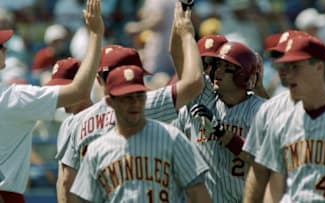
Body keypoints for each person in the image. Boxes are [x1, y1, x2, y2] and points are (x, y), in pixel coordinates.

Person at [56, 2, 205, 202]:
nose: (134, 100)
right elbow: (194, 83)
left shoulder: (73, 124)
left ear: (98, 78)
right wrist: (186, 30)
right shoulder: (146, 104)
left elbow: (66, 183)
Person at [0, 0, 104, 202]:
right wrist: (96, 35)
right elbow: (79, 91)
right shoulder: (12, 97)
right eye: (0, 46)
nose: (5, 48)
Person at [70, 65, 211, 202]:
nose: (135, 103)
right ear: (110, 101)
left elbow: (198, 192)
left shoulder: (172, 138)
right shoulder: (96, 150)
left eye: (140, 95)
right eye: (127, 97)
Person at [243, 32, 325, 203]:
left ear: (319, 68)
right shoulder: (280, 121)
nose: (287, 74)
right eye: (284, 67)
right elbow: (273, 187)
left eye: (295, 67)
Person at [171, 29, 266, 202]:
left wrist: (224, 134)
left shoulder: (260, 111)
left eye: (226, 68)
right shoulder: (201, 103)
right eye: (217, 66)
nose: (217, 73)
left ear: (242, 75)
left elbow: (265, 161)